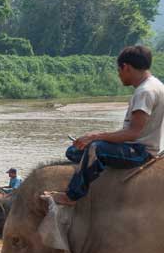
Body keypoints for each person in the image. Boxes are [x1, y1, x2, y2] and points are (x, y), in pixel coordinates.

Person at [42, 45, 164, 207]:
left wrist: (94, 137)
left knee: (95, 148)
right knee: (73, 151)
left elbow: (133, 133)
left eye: (119, 70)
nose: (119, 75)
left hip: (139, 151)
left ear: (126, 67)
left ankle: (71, 196)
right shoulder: (156, 85)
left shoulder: (145, 91)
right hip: (135, 146)